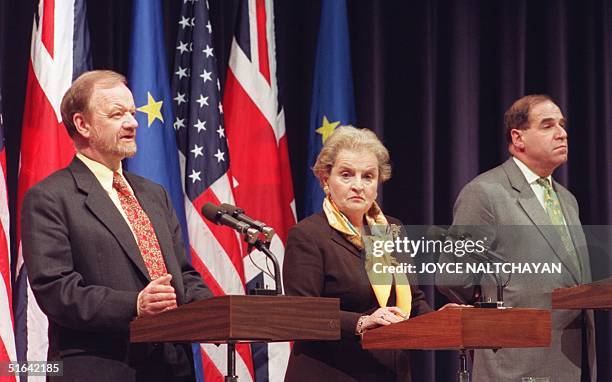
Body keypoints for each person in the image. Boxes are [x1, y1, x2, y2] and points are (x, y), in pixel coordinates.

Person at [21, 70, 212, 381]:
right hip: (103, 368)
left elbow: (181, 273)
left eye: (133, 113)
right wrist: (134, 304)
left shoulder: (153, 194)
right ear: (82, 124)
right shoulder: (50, 197)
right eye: (117, 114)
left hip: (172, 369)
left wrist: (212, 315)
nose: (133, 123)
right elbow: (57, 291)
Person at [437, 95, 596, 381]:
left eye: (562, 124)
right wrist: (493, 313)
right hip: (516, 364)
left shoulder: (568, 200)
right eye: (547, 125)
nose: (562, 133)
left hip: (574, 360)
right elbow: (453, 275)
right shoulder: (485, 192)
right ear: (518, 137)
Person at [283, 126, 433, 381]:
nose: (358, 186)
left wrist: (449, 320)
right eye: (346, 175)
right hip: (330, 372)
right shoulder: (308, 235)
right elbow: (301, 314)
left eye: (368, 176)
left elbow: (412, 301)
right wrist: (361, 322)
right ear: (324, 179)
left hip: (390, 371)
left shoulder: (392, 229)